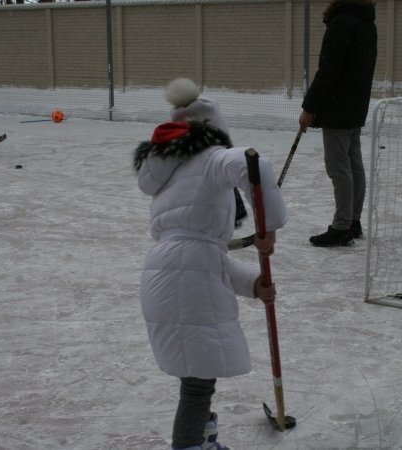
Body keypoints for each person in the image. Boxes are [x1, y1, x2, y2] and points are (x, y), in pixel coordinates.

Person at [134, 115, 287, 449]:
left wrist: (254, 285)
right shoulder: (212, 158)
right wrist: (268, 226)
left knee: (197, 373)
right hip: (186, 279)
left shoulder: (172, 176)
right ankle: (189, 444)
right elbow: (253, 163)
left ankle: (201, 438)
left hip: (166, 272)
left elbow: (205, 260)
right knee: (197, 381)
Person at [299, 0, 377, 247]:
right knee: (353, 162)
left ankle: (342, 226)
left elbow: (328, 70)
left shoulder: (342, 22)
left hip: (338, 106)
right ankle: (352, 221)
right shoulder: (366, 22)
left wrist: (309, 108)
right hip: (355, 105)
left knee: (339, 166)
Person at [165, 77, 249, 229]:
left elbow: (176, 129)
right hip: (222, 148)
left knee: (214, 183)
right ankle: (237, 213)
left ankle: (231, 213)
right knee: (225, 181)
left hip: (209, 152)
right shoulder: (209, 104)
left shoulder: (184, 112)